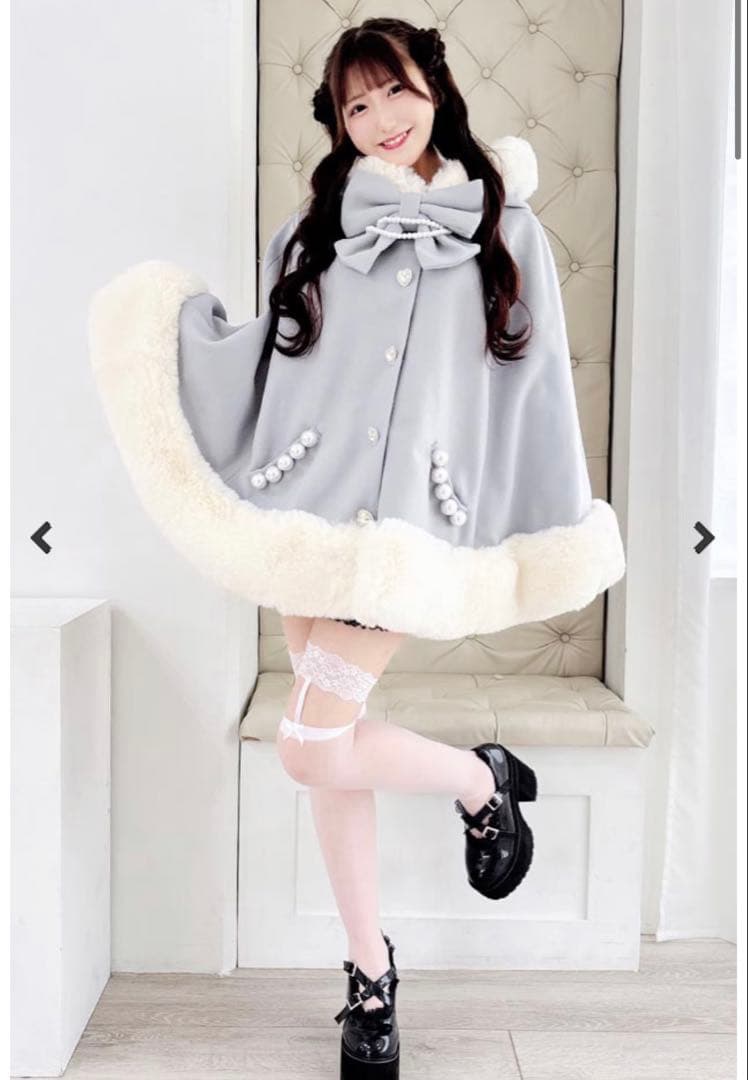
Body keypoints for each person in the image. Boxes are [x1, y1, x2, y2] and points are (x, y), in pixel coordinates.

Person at [88, 16, 625, 1078]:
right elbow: (275, 360)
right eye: (356, 104)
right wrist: (172, 338)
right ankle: (369, 976)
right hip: (311, 514)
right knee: (326, 750)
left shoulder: (505, 229)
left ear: (437, 89)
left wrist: (536, 517)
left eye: (397, 91)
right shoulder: (318, 224)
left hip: (411, 529)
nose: (381, 118)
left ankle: (480, 782)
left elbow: (531, 395)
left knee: (307, 746)